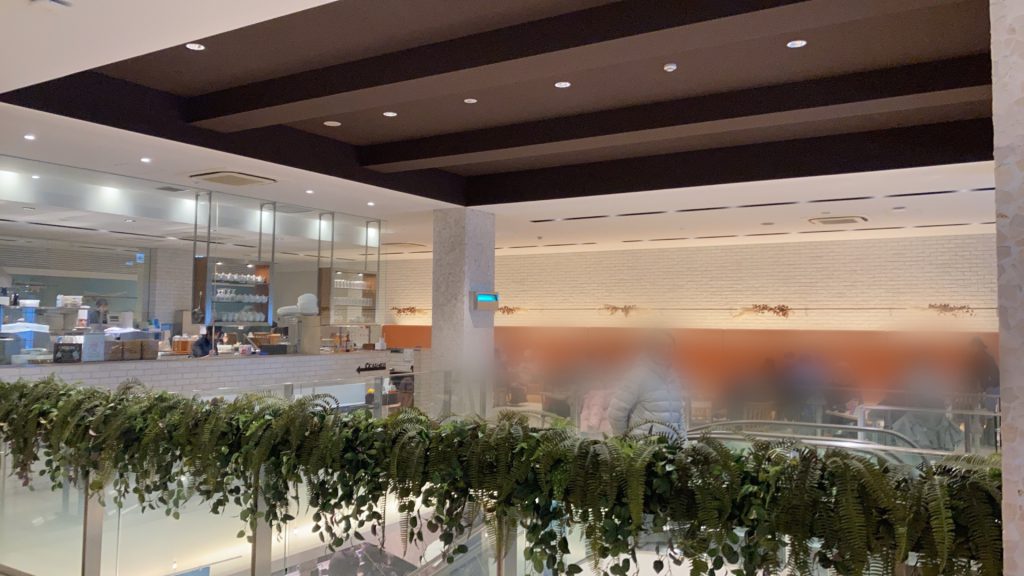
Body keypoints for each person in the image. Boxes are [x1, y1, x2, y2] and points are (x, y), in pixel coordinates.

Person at [606, 331, 686, 438]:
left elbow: (679, 415)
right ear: (651, 349)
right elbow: (616, 414)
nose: (666, 350)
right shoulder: (637, 376)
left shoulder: (673, 378)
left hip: (671, 446)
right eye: (661, 346)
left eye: (670, 346)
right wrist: (622, 441)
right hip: (643, 446)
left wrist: (683, 442)